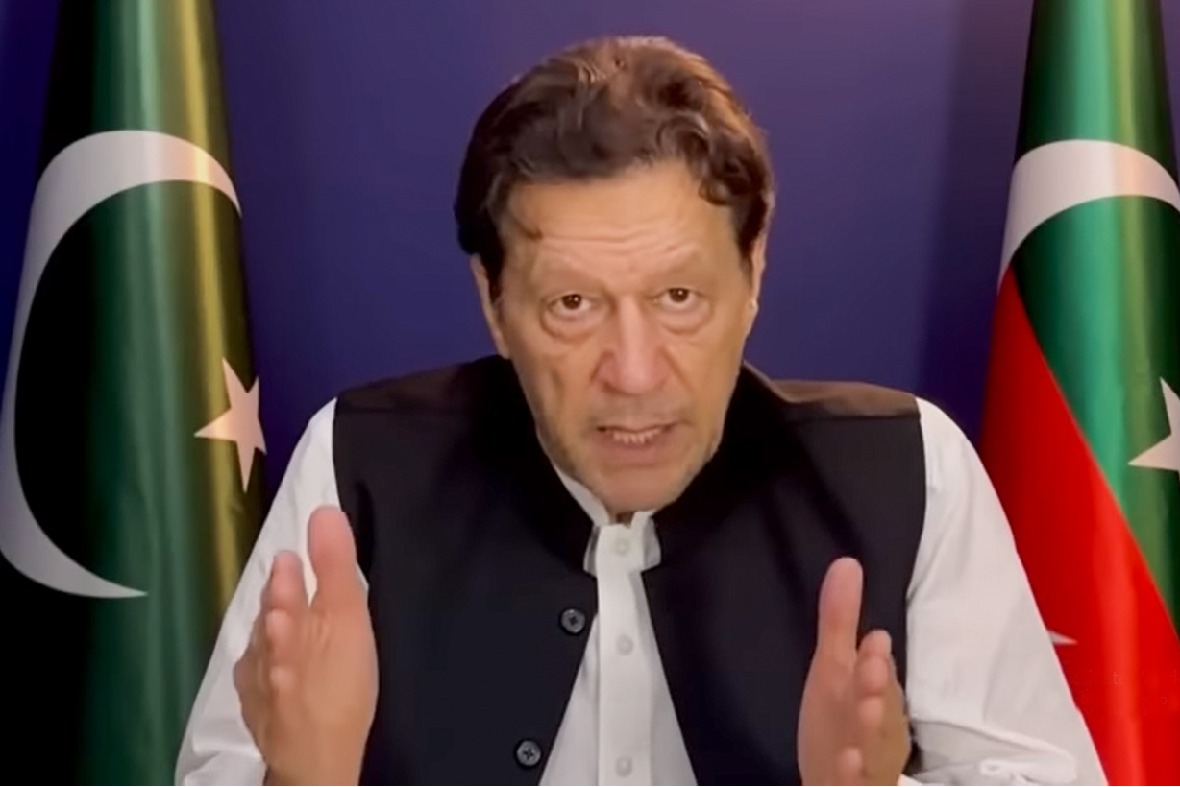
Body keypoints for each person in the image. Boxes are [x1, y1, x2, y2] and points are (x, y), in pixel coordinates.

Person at [175, 35, 1106, 786]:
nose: (632, 371)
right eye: (572, 304)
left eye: (679, 298)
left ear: (752, 273)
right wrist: (306, 780)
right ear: (493, 301)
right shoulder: (359, 466)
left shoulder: (908, 468)